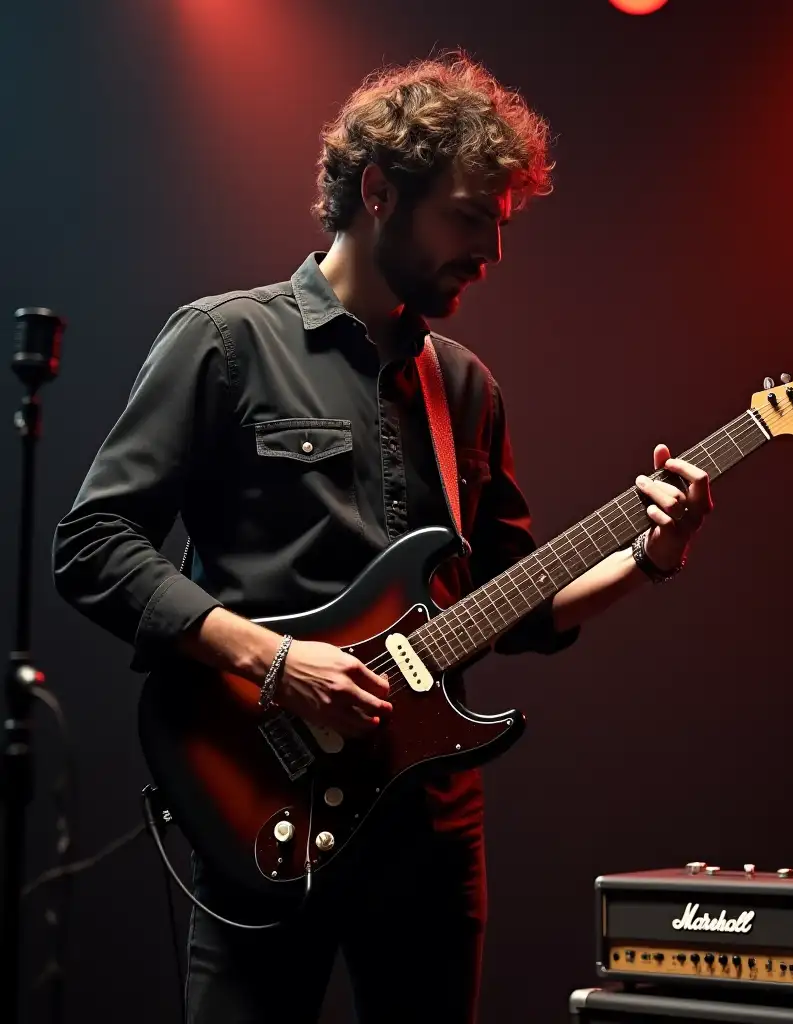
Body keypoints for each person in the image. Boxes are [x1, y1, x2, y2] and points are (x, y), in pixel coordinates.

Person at [52, 53, 713, 1024]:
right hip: (261, 796)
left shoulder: (466, 388)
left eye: (501, 221)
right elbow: (95, 544)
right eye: (468, 215)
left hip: (430, 830)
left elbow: (513, 604)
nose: (489, 248)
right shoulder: (227, 341)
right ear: (376, 192)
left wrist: (649, 558)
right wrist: (277, 659)